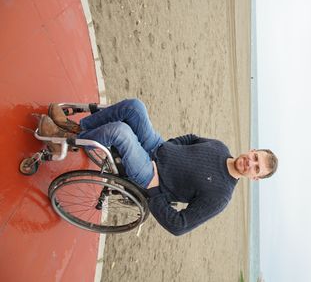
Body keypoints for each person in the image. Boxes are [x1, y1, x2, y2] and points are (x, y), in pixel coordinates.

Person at [39, 99, 278, 236]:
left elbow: (179, 226)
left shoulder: (221, 197)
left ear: (254, 178)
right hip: (157, 146)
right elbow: (191, 138)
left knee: (120, 132)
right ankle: (77, 130)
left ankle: (60, 139)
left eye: (256, 168)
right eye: (255, 157)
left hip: (151, 177)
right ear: (252, 150)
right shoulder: (220, 147)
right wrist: (169, 146)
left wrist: (154, 191)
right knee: (134, 107)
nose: (251, 163)